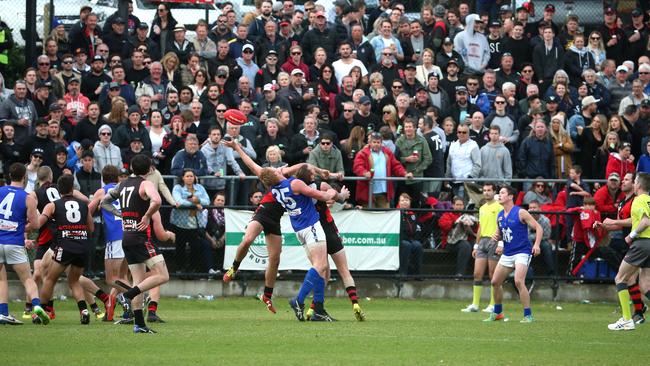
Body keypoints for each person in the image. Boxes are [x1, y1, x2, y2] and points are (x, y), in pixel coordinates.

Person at [100, 154, 171, 333]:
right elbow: (157, 200)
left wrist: (119, 213)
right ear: (149, 169)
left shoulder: (122, 184)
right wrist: (147, 216)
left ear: (131, 168)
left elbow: (104, 202)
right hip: (141, 238)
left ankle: (139, 324)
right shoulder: (145, 183)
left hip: (127, 238)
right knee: (163, 276)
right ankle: (129, 294)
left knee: (138, 280)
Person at [258, 164, 338, 322]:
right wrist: (333, 192)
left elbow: (295, 169)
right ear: (276, 175)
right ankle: (299, 300)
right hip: (311, 227)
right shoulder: (295, 184)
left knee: (320, 269)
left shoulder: (275, 190)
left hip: (299, 229)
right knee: (321, 266)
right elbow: (323, 196)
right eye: (276, 169)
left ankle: (319, 310)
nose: (279, 168)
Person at [37, 174, 94, 325]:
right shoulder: (84, 205)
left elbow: (39, 223)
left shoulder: (53, 205)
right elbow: (91, 228)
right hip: (82, 246)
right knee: (74, 281)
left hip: (65, 245)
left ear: (59, 189)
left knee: (50, 278)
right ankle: (84, 311)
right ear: (73, 189)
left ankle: (41, 311)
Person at [0, 163, 50, 325]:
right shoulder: (28, 197)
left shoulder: (0, 191)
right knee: (27, 279)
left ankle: (3, 313)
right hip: (15, 242)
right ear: (24, 177)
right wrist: (21, 226)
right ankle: (36, 306)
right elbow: (35, 225)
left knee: (1, 280)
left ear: (9, 176)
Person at [485, 185, 542, 323]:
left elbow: (538, 227)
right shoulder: (500, 215)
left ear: (510, 197)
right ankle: (498, 313)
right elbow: (501, 231)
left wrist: (536, 244)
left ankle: (528, 315)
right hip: (508, 253)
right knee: (495, 282)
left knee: (518, 281)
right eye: (499, 193)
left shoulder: (520, 212)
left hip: (522, 252)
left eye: (502, 193)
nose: (499, 195)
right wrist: (496, 237)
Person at [88, 165, 131, 322]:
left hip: (115, 237)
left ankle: (138, 294)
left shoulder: (102, 191)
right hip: (128, 233)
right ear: (118, 177)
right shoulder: (124, 189)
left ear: (102, 178)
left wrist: (88, 227)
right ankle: (115, 311)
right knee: (121, 277)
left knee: (111, 279)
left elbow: (88, 210)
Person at [607, 172, 650, 330]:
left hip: (642, 243)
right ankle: (631, 317)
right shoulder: (649, 200)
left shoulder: (638, 200)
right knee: (645, 286)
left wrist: (631, 235)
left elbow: (645, 221)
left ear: (637, 184)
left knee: (620, 278)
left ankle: (626, 319)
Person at [461, 183, 503, 313]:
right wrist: (476, 244)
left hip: (494, 240)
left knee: (493, 275)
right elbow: (480, 227)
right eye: (484, 190)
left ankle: (492, 305)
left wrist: (500, 243)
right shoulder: (482, 207)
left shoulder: (499, 207)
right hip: (483, 241)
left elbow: (501, 225)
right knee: (477, 274)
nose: (486, 193)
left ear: (494, 191)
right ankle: (475, 304)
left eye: (489, 190)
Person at [398, 193, 423, 278]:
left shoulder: (413, 214)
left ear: (410, 202)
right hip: (399, 240)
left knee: (418, 245)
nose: (404, 202)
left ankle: (417, 274)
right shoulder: (395, 213)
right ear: (399, 202)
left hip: (411, 239)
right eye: (402, 200)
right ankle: (403, 273)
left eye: (407, 200)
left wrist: (415, 238)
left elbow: (418, 228)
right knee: (406, 245)